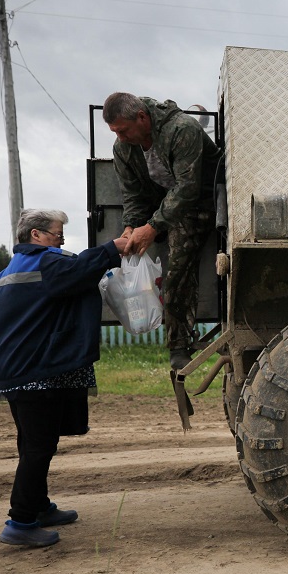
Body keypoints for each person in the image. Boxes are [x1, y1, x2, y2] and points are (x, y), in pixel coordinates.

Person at [0, 209, 128, 547]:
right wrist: (114, 248)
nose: (61, 240)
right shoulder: (45, 263)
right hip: (33, 372)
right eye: (56, 233)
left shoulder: (10, 269)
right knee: (38, 446)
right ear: (35, 235)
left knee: (31, 441)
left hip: (12, 370)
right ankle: (20, 522)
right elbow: (78, 270)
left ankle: (39, 506)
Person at [102, 92, 222, 369]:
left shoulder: (181, 129)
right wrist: (132, 225)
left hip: (200, 202)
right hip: (163, 202)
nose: (119, 137)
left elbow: (188, 189)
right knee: (126, 249)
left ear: (142, 118)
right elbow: (132, 194)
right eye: (114, 132)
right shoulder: (123, 148)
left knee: (178, 264)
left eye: (123, 130)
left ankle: (178, 344)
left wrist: (153, 227)